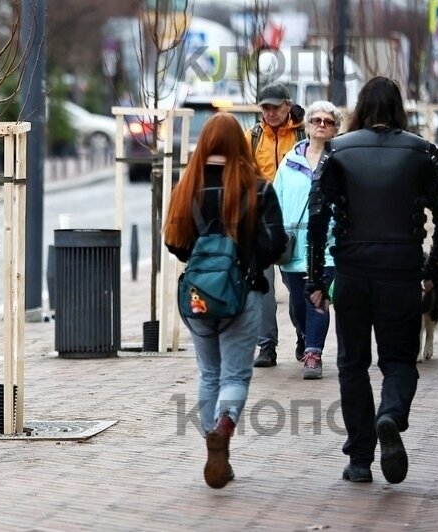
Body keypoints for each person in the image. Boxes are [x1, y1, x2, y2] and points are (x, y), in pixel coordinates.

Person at [305, 77, 438, 484]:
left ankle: (359, 459)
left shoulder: (337, 150)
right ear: (399, 109)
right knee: (399, 361)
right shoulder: (423, 152)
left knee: (352, 363)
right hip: (401, 271)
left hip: (352, 270)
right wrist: (430, 269)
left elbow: (316, 219)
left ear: (360, 107)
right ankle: (389, 414)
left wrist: (316, 279)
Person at [164, 113, 287, 489]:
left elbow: (174, 242)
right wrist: (248, 262)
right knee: (235, 375)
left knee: (209, 374)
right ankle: (224, 426)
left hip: (198, 296)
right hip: (243, 294)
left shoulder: (188, 187)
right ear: (239, 144)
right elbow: (274, 244)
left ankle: (212, 444)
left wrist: (203, 261)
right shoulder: (258, 188)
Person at [273, 101, 343, 379]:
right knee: (298, 304)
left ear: (336, 128)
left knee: (318, 299)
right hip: (292, 247)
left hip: (326, 248)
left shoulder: (341, 163)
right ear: (307, 126)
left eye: (328, 121)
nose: (321, 125)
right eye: (316, 120)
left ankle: (313, 353)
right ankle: (304, 335)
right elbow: (275, 200)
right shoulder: (289, 163)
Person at [245, 82, 306, 368]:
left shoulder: (304, 134)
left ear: (287, 105)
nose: (269, 113)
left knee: (297, 283)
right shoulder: (254, 137)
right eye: (265, 108)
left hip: (296, 221)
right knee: (262, 286)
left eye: (275, 107)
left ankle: (305, 336)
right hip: (262, 221)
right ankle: (266, 345)